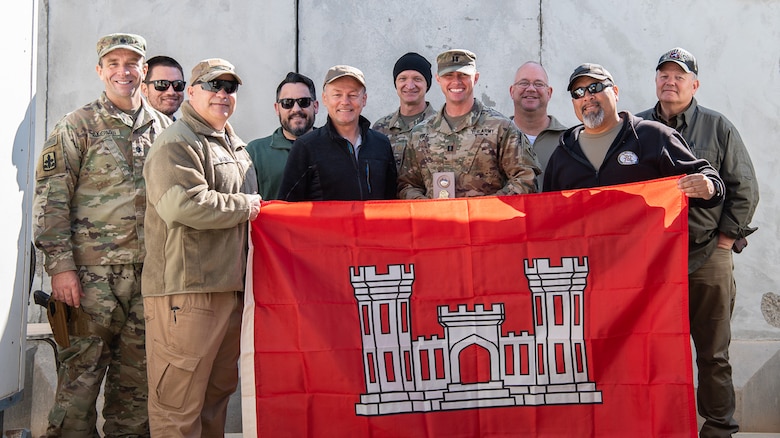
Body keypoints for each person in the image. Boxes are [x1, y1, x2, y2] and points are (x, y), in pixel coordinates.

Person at [32, 32, 171, 437]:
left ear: (144, 71)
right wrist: (60, 269)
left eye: (131, 64)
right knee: (79, 383)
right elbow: (51, 201)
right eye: (113, 64)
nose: (122, 72)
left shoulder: (165, 129)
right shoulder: (77, 126)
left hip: (149, 277)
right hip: (89, 279)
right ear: (100, 71)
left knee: (138, 389)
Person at [636, 48, 759, 438]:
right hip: (651, 260)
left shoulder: (717, 127)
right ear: (655, 80)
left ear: (695, 84)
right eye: (664, 75)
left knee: (713, 352)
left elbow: (744, 188)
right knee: (649, 349)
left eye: (679, 76)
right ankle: (656, 425)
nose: (670, 82)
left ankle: (719, 428)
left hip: (707, 255)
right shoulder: (636, 128)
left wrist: (726, 239)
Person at [142, 58, 260, 436]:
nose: (222, 94)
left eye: (230, 88)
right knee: (178, 407)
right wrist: (249, 207)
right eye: (213, 86)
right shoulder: (177, 143)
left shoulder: (234, 145)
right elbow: (183, 205)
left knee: (215, 398)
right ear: (191, 92)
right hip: (185, 293)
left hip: (228, 290)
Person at [544, 62, 724, 205]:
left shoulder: (654, 137)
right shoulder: (562, 155)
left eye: (595, 87)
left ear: (615, 92)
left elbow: (704, 176)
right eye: (578, 92)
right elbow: (548, 213)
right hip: (586, 252)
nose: (587, 96)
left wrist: (709, 187)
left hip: (646, 251)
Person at [398, 49, 540, 199]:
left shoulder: (501, 128)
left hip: (485, 220)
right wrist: (427, 208)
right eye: (448, 75)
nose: (456, 82)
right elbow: (407, 185)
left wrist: (480, 208)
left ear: (476, 78)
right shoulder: (420, 134)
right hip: (435, 221)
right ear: (438, 79)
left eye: (463, 75)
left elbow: (525, 180)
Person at [278, 65, 397, 201]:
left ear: (364, 99)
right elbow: (286, 206)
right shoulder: (306, 147)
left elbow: (392, 202)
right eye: (337, 95)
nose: (345, 102)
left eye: (353, 95)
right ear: (325, 99)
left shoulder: (381, 144)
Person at [246, 72, 319, 200]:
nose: (296, 109)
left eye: (303, 101)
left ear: (315, 106)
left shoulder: (334, 147)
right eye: (287, 103)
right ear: (277, 108)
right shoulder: (255, 152)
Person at [372, 52, 437, 170]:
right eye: (403, 79)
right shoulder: (380, 128)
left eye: (417, 79)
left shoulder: (441, 125)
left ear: (427, 84)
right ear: (396, 84)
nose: (410, 85)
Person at [509, 61, 567, 185]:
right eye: (523, 83)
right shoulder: (495, 138)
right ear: (511, 91)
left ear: (549, 93)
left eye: (538, 84)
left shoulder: (568, 142)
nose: (530, 89)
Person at [141, 55, 185, 119]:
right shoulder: (129, 127)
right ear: (144, 89)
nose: (171, 92)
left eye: (178, 84)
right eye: (162, 84)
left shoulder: (188, 128)